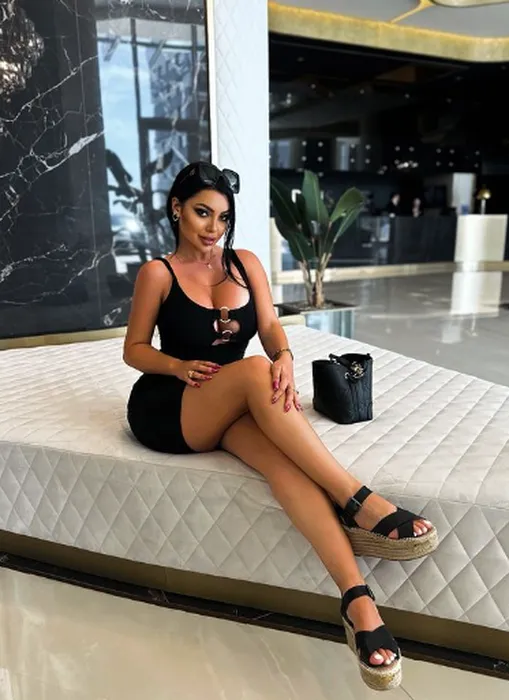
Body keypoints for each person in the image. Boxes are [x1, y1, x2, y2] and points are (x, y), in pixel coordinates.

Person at [124, 162, 438, 692]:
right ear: (176, 209)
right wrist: (176, 366)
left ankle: (357, 601)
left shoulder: (244, 264)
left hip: (232, 401)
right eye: (202, 213)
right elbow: (134, 350)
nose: (214, 228)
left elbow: (269, 327)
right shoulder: (158, 273)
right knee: (253, 370)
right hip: (171, 405)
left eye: (223, 217)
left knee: (285, 466)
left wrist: (286, 357)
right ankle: (358, 500)